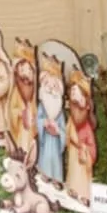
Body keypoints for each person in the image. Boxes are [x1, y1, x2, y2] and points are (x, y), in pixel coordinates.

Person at [64, 67, 98, 206]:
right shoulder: (73, 114)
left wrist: (83, 147)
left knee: (82, 172)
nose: (73, 93)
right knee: (73, 169)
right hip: (74, 150)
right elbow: (69, 129)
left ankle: (84, 194)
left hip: (83, 151)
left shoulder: (85, 120)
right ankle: (72, 188)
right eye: (72, 91)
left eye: (76, 91)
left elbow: (89, 141)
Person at [35, 50, 66, 186]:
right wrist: (44, 123)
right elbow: (38, 120)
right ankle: (45, 175)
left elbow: (64, 128)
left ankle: (56, 179)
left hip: (55, 140)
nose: (51, 89)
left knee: (55, 159)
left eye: (54, 86)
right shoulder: (42, 106)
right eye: (47, 85)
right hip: (45, 139)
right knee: (45, 157)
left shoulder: (59, 110)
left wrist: (58, 131)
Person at [8, 38, 39, 168]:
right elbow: (11, 110)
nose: (26, 74)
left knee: (32, 144)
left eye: (29, 70)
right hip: (21, 128)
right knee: (22, 145)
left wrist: (34, 116)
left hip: (31, 127)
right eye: (22, 70)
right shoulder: (16, 92)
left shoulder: (35, 92)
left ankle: (32, 159)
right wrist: (20, 114)